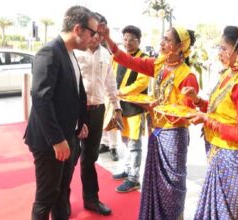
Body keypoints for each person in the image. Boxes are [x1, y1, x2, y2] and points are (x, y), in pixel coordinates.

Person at [99, 24, 199, 219]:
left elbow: (187, 113)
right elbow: (128, 60)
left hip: (174, 135)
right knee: (156, 181)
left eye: (168, 40)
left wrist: (154, 107)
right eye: (163, 38)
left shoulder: (188, 76)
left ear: (180, 48)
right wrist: (109, 39)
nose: (162, 42)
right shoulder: (159, 65)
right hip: (157, 132)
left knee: (172, 184)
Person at [182, 24, 238, 219]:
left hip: (234, 159)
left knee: (227, 215)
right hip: (220, 154)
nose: (219, 53)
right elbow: (220, 111)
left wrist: (207, 120)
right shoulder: (230, 74)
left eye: (223, 48)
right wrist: (197, 101)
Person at [23, 6, 96, 220]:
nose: (94, 38)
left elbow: (72, 94)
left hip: (69, 136)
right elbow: (41, 99)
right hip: (50, 142)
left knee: (62, 192)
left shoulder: (70, 53)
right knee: (46, 197)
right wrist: (57, 140)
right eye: (92, 33)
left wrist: (79, 122)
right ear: (77, 29)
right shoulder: (49, 52)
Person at [74, 12, 123, 216]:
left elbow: (111, 84)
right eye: (95, 32)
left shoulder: (106, 55)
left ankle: (91, 199)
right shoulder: (75, 53)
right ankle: (61, 200)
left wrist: (117, 108)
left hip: (97, 110)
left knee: (89, 158)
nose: (97, 37)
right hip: (76, 111)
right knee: (68, 158)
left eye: (102, 32)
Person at [110, 25, 150, 192]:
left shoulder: (144, 58)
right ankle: (128, 169)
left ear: (139, 41)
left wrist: (121, 92)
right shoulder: (118, 57)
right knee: (125, 140)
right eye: (125, 39)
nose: (127, 43)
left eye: (131, 40)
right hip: (121, 106)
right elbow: (112, 76)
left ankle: (134, 178)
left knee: (134, 143)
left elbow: (142, 83)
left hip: (135, 107)